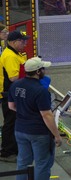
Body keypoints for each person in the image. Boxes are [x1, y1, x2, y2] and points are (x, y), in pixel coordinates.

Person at [8, 57, 62, 180]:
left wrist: (26, 111)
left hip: (20, 130)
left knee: (22, 162)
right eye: (43, 69)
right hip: (38, 132)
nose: (45, 71)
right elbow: (46, 115)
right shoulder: (41, 91)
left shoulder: (15, 85)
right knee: (42, 164)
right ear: (38, 72)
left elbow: (11, 106)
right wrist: (57, 136)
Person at [0, 31, 29, 162]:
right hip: (9, 93)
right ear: (13, 42)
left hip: (13, 92)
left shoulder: (15, 53)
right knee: (10, 122)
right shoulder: (10, 56)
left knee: (13, 121)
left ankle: (14, 148)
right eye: (22, 41)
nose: (25, 43)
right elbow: (13, 77)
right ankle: (7, 152)